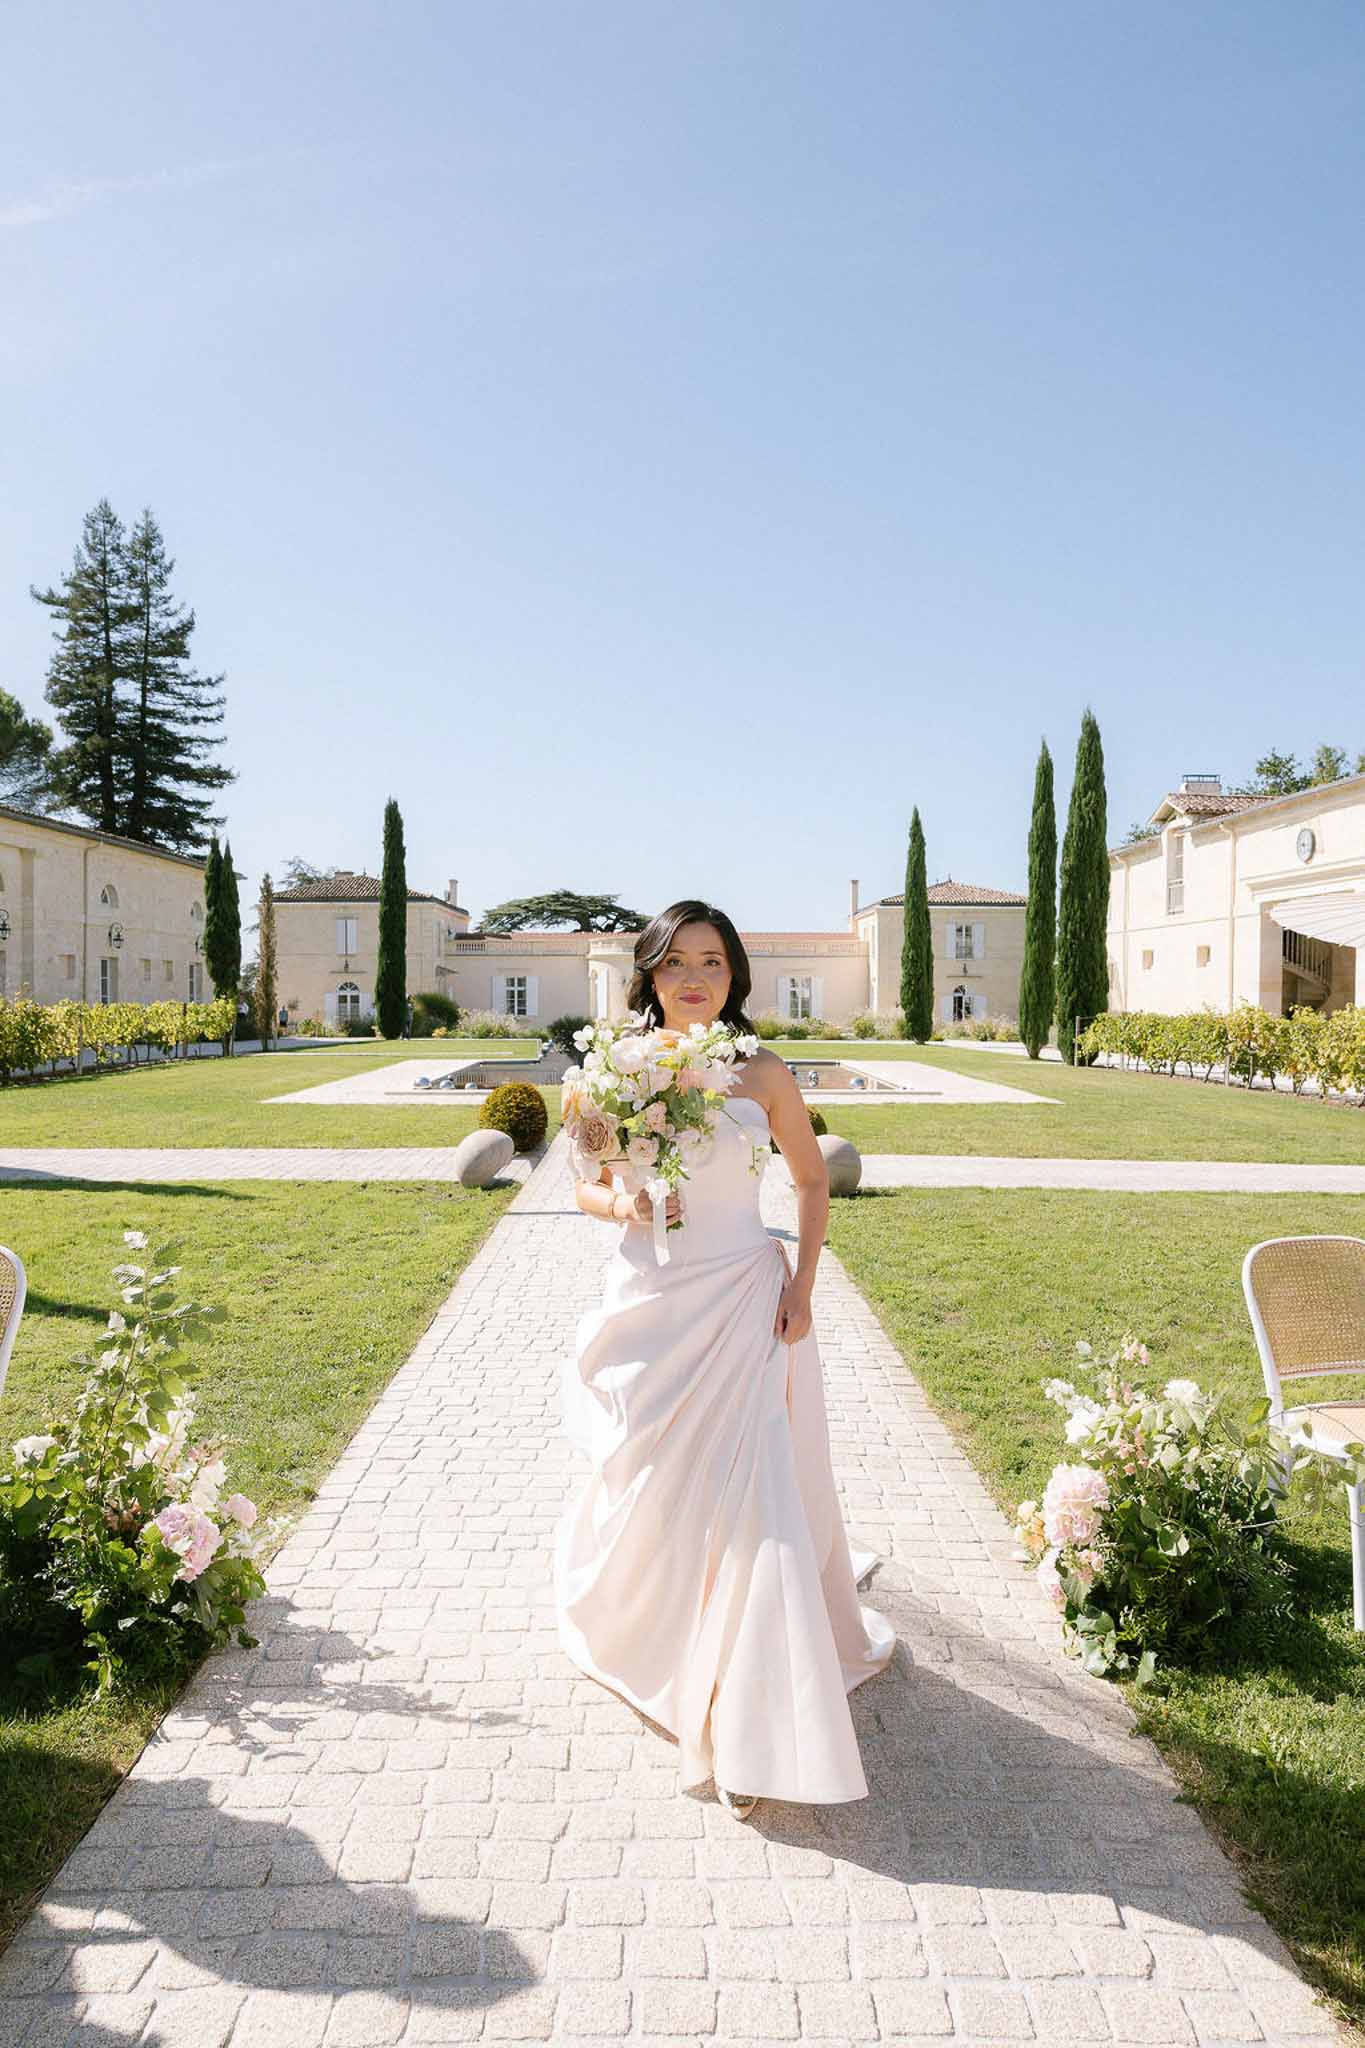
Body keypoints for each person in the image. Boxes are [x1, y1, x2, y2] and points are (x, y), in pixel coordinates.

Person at [553, 899, 895, 1823]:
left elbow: (811, 1179)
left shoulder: (765, 1071)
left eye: (711, 960)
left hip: (745, 1297)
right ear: (650, 976)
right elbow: (582, 1181)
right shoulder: (606, 1073)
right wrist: (619, 1207)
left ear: (735, 973)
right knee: (658, 1480)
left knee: (757, 1495)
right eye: (674, 963)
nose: (693, 977)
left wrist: (806, 1285)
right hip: (651, 1306)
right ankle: (661, 1628)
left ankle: (751, 1714)